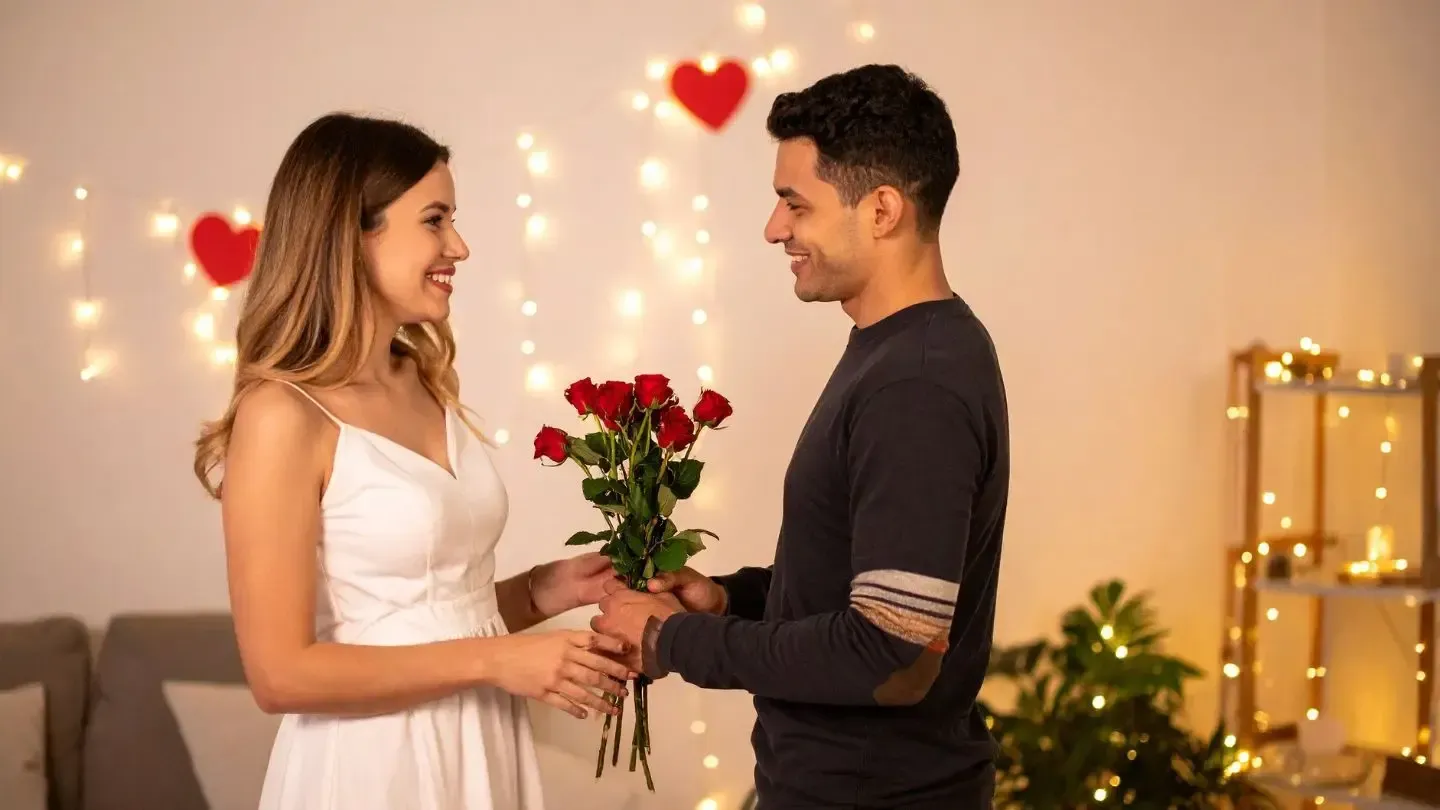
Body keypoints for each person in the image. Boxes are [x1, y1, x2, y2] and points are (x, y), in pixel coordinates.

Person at [592, 64, 1010, 809]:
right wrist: (727, 601)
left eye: (796, 203)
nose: (774, 228)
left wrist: (672, 640)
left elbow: (892, 654)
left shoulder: (916, 383)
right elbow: (861, 591)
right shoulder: (898, 352)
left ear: (882, 210)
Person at [192, 112, 634, 810]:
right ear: (351, 232)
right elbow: (280, 676)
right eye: (435, 220)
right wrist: (498, 659)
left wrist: (539, 593)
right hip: (373, 769)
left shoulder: (422, 380)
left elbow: (418, 614)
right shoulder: (282, 415)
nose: (458, 246)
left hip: (479, 745)